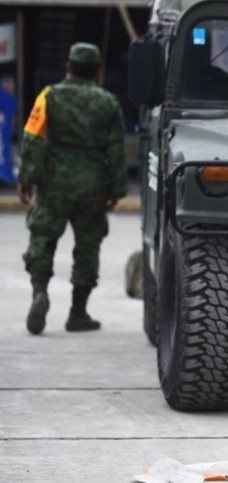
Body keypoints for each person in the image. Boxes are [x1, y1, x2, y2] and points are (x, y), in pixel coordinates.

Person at [17, 42, 128, 335]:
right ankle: (78, 313)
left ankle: (40, 290)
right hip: (93, 183)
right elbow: (117, 150)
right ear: (97, 71)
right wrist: (116, 189)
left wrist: (27, 177)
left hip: (54, 181)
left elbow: (33, 138)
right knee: (88, 246)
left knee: (43, 237)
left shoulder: (49, 96)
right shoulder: (108, 102)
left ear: (68, 67)